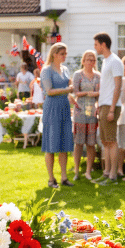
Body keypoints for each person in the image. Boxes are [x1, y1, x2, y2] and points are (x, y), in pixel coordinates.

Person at [40, 43, 75, 188]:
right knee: (51, 144)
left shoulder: (65, 69)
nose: (65, 56)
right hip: (52, 109)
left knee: (64, 144)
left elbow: (70, 87)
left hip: (64, 108)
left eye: (65, 53)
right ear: (54, 54)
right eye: (62, 53)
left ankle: (64, 177)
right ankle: (51, 178)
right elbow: (49, 91)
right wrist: (67, 89)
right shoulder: (46, 70)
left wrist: (73, 96)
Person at [93, 32, 123, 185]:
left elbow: (118, 86)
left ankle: (112, 175)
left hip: (111, 106)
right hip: (104, 105)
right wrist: (100, 106)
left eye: (96, 44)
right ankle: (106, 172)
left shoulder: (115, 61)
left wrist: (111, 109)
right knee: (105, 141)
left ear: (103, 44)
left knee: (111, 141)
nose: (95, 47)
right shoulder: (105, 61)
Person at [72, 50, 101, 181]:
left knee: (91, 143)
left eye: (93, 60)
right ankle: (77, 170)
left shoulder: (98, 76)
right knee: (78, 142)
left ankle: (88, 171)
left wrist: (94, 96)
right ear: (83, 61)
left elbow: (100, 93)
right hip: (80, 111)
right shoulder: (78, 75)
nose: (91, 62)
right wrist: (90, 93)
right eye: (88, 59)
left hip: (92, 112)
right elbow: (76, 92)